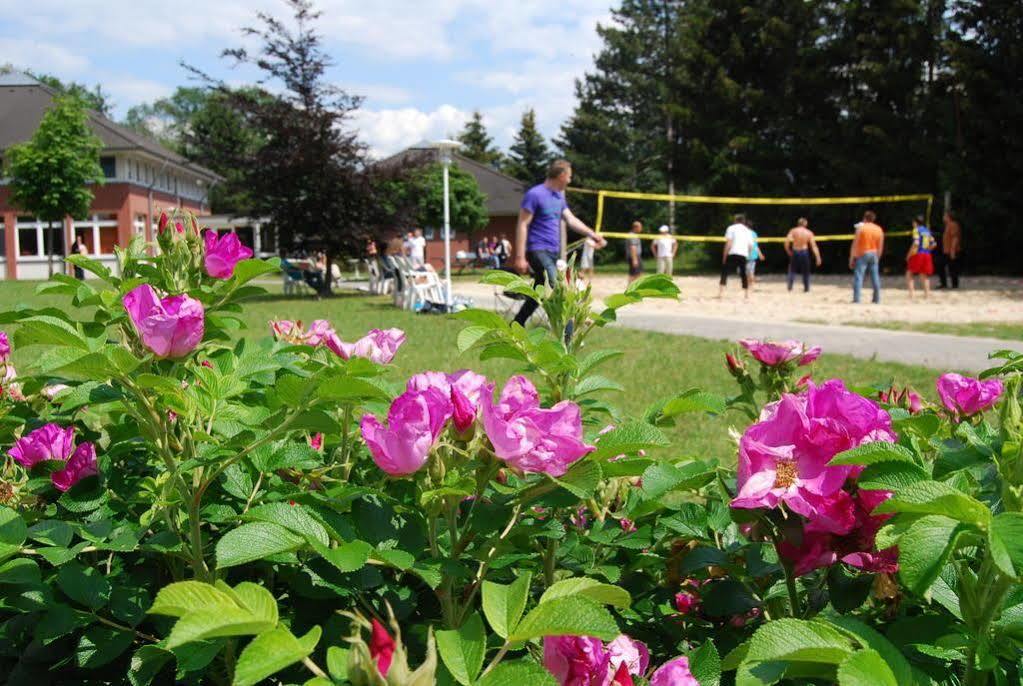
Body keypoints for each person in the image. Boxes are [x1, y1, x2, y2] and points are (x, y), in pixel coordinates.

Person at [513, 159, 607, 326]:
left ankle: (515, 326)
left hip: (553, 252)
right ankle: (571, 328)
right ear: (561, 175)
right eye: (569, 177)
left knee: (538, 294)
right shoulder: (535, 194)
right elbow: (522, 224)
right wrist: (520, 257)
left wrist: (592, 234)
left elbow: (571, 220)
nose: (570, 181)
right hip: (538, 249)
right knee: (559, 285)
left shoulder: (558, 198)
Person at [850, 210, 884, 304]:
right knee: (875, 277)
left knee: (859, 277)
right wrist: (878, 257)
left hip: (862, 254)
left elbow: (855, 244)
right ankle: (876, 299)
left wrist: (852, 258)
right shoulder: (879, 229)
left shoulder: (861, 228)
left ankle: (857, 299)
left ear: (865, 218)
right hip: (874, 253)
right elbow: (880, 246)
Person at [719, 213, 753, 299]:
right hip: (743, 254)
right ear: (743, 221)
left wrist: (724, 255)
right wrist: (748, 255)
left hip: (732, 252)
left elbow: (729, 243)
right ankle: (746, 294)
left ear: (735, 220)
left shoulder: (731, 228)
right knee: (743, 274)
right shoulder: (748, 231)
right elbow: (750, 246)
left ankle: (721, 293)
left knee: (725, 272)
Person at [784, 218, 821, 292]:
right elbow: (814, 246)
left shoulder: (793, 231)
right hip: (804, 251)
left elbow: (787, 242)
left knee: (792, 270)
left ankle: (790, 287)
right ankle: (806, 288)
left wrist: (788, 251)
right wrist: (818, 257)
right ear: (805, 224)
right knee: (806, 271)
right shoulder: (808, 232)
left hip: (795, 251)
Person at [905, 215, 936, 300]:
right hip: (927, 254)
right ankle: (927, 295)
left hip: (918, 253)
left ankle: (911, 295)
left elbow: (916, 243)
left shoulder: (916, 230)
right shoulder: (927, 230)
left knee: (909, 273)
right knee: (924, 275)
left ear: (915, 223)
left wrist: (909, 254)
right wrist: (927, 250)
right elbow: (933, 244)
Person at [936, 210, 962, 289]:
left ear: (949, 217)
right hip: (946, 251)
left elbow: (955, 238)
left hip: (951, 251)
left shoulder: (953, 225)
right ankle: (944, 284)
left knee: (952, 268)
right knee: (941, 265)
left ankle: (954, 285)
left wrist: (953, 250)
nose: (943, 217)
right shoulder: (948, 225)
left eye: (945, 216)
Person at [746, 220, 762, 289]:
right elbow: (756, 245)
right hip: (754, 254)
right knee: (751, 271)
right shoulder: (754, 233)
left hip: (747, 254)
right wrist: (760, 254)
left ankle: (750, 284)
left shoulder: (744, 233)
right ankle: (751, 285)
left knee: (747, 272)